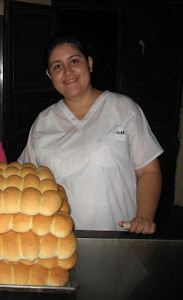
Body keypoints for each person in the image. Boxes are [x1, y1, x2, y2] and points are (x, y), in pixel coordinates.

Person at [18, 36, 163, 234]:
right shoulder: (43, 121)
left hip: (117, 234)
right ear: (49, 75)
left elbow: (148, 170)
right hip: (56, 237)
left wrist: (144, 217)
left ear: (90, 63)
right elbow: (25, 177)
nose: (67, 71)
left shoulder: (122, 108)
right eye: (57, 66)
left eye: (74, 61)